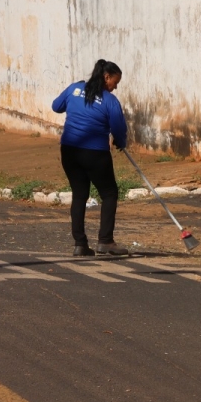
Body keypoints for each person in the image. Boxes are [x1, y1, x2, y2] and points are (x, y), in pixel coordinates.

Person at [51, 60, 129, 257]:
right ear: (106, 77)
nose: (115, 87)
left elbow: (56, 106)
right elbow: (118, 127)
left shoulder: (74, 89)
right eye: (115, 82)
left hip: (69, 151)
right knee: (109, 194)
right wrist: (121, 142)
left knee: (79, 195)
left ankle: (80, 244)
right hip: (95, 153)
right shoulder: (110, 101)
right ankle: (105, 241)